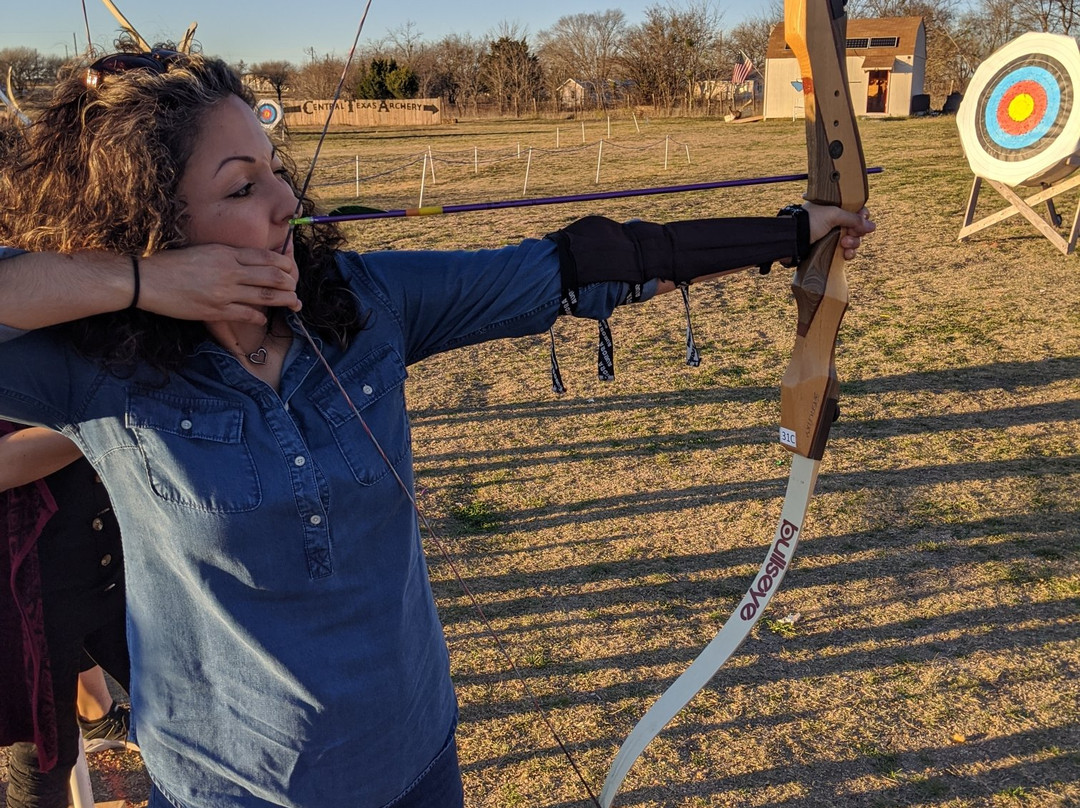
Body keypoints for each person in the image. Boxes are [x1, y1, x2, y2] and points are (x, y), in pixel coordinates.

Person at [0, 50, 874, 808]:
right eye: (241, 185)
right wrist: (142, 285)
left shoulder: (365, 303)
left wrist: (790, 232)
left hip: (415, 760)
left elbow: (575, 265)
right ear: (152, 226)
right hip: (230, 784)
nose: (285, 199)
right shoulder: (95, 366)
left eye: (274, 166)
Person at [0, 421, 135, 808]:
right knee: (43, 761)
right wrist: (110, 412)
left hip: (119, 563)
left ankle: (100, 718)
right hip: (27, 591)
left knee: (183, 721)